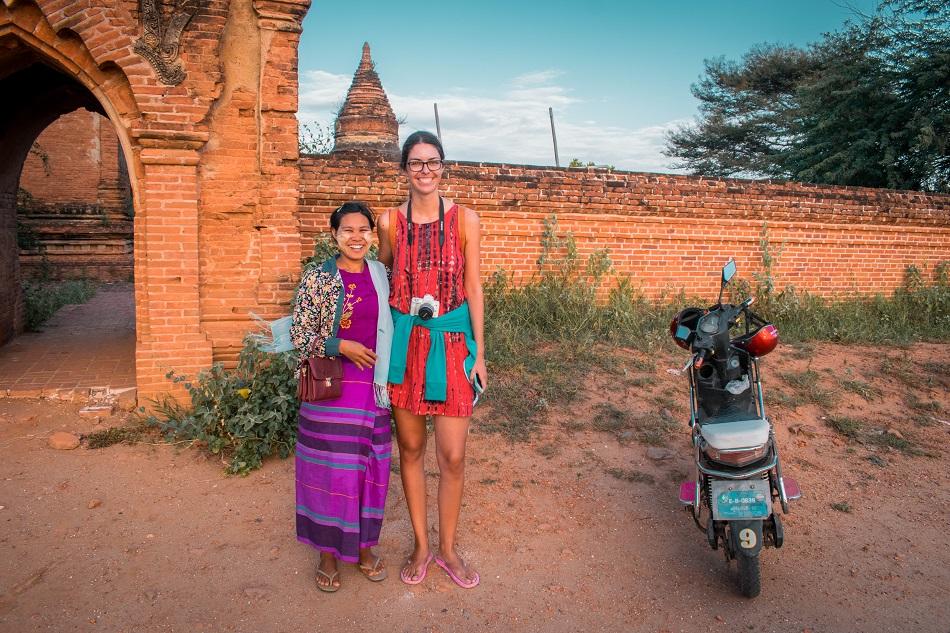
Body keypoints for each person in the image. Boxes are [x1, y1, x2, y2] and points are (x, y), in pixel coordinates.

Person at [377, 131, 487, 589]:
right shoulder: (388, 221)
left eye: (433, 162)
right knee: (411, 449)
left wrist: (481, 354)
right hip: (406, 346)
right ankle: (422, 545)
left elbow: (474, 286)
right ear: (404, 169)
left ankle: (448, 549)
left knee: (453, 456)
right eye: (416, 163)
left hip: (452, 343)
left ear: (443, 166)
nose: (425, 171)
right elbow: (382, 272)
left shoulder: (466, 220)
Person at [290, 202, 394, 593]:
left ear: (372, 235)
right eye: (347, 230)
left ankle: (364, 548)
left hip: (373, 389)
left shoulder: (381, 274)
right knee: (330, 473)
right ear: (334, 235)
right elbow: (300, 335)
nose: (356, 237)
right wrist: (341, 345)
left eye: (364, 230)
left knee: (371, 469)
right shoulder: (318, 277)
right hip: (330, 388)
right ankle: (328, 554)